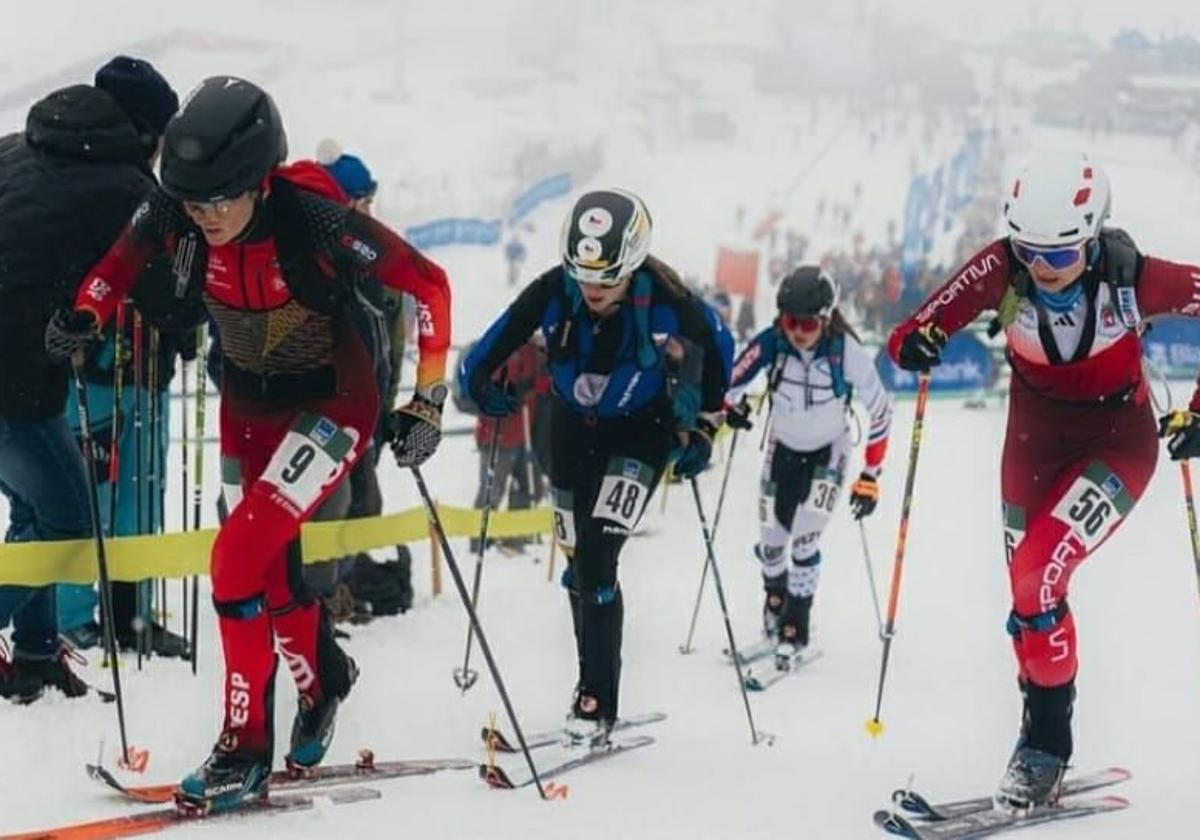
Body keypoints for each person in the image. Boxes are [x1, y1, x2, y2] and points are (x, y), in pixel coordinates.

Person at [46, 76, 452, 813]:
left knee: (232, 557)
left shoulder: (315, 220)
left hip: (334, 403)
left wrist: (428, 397)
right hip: (248, 405)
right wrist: (84, 314)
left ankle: (243, 744)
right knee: (264, 571)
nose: (204, 219)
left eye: (219, 202)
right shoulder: (177, 207)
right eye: (193, 204)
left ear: (258, 181)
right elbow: (116, 266)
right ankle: (323, 679)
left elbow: (430, 283)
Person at [887, 150, 1200, 812]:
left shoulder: (1134, 280)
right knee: (1028, 598)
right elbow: (916, 328)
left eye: (1059, 255)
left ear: (1093, 237)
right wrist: (917, 343)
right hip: (1030, 447)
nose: (1042, 269)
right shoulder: (1001, 269)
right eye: (1029, 252)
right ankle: (1037, 736)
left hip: (1116, 445)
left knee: (1038, 574)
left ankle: (1047, 749)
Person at [459, 188, 729, 746]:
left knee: (601, 552)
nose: (593, 289)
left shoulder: (663, 296)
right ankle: (591, 683)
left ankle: (595, 698)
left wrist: (705, 421)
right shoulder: (553, 290)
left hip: (640, 431)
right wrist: (480, 387)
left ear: (631, 266)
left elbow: (720, 344)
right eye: (583, 275)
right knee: (579, 563)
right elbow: (488, 347)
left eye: (606, 279)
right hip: (568, 431)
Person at [0, 65, 173, 703]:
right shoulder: (125, 189)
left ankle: (38, 653)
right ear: (148, 134)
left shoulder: (17, 146)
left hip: (24, 376)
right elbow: (165, 300)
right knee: (69, 520)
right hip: (12, 379)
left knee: (37, 509)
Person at [57, 56, 189, 659]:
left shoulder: (129, 185)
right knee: (104, 495)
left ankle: (127, 613)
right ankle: (75, 615)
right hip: (105, 371)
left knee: (132, 494)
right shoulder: (114, 184)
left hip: (129, 369)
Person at [724, 266, 892, 664]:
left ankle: (796, 623)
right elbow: (730, 383)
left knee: (804, 541)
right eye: (789, 321)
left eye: (806, 323)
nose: (797, 331)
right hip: (781, 449)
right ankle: (775, 603)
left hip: (828, 452)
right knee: (770, 545)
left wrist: (870, 475)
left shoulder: (846, 352)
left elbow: (881, 412)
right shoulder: (773, 342)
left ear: (826, 318)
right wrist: (733, 407)